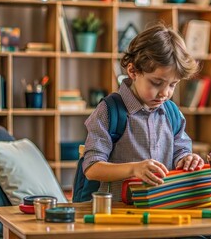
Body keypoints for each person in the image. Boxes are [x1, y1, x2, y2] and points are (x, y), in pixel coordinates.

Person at [82, 23, 204, 201]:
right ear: (132, 71)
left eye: (172, 84)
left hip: (162, 209)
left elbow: (180, 152)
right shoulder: (109, 111)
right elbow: (92, 168)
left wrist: (186, 159)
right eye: (156, 82)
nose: (165, 93)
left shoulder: (172, 113)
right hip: (118, 215)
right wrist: (134, 169)